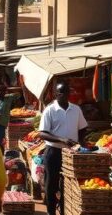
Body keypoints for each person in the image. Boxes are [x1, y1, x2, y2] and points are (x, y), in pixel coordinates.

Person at [38, 82, 89, 215]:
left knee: (69, 184)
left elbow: (83, 128)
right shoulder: (50, 110)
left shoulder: (76, 109)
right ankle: (51, 212)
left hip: (71, 153)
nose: (66, 95)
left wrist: (81, 141)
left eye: (67, 92)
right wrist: (61, 139)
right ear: (56, 94)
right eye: (62, 93)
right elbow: (42, 133)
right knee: (52, 184)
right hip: (53, 152)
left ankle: (66, 210)